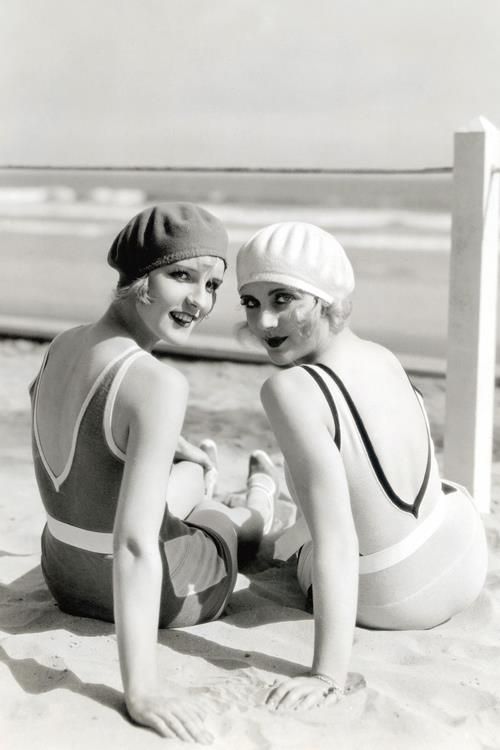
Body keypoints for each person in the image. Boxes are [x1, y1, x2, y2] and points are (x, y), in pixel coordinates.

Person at [29, 203, 277, 743]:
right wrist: (141, 692)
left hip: (63, 575)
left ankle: (201, 470)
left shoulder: (63, 345)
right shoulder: (157, 384)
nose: (200, 301)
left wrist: (172, 444)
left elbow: (87, 434)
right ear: (140, 276)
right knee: (218, 520)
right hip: (159, 595)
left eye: (213, 285)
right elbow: (137, 547)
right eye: (181, 275)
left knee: (187, 467)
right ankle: (257, 508)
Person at [236, 221, 488, 713]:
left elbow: (337, 539)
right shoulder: (383, 355)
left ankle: (257, 498)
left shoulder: (289, 389)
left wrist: (327, 674)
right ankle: (264, 493)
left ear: (327, 299)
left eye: (283, 299)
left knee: (303, 538)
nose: (263, 322)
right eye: (250, 302)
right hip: (464, 559)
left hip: (388, 599)